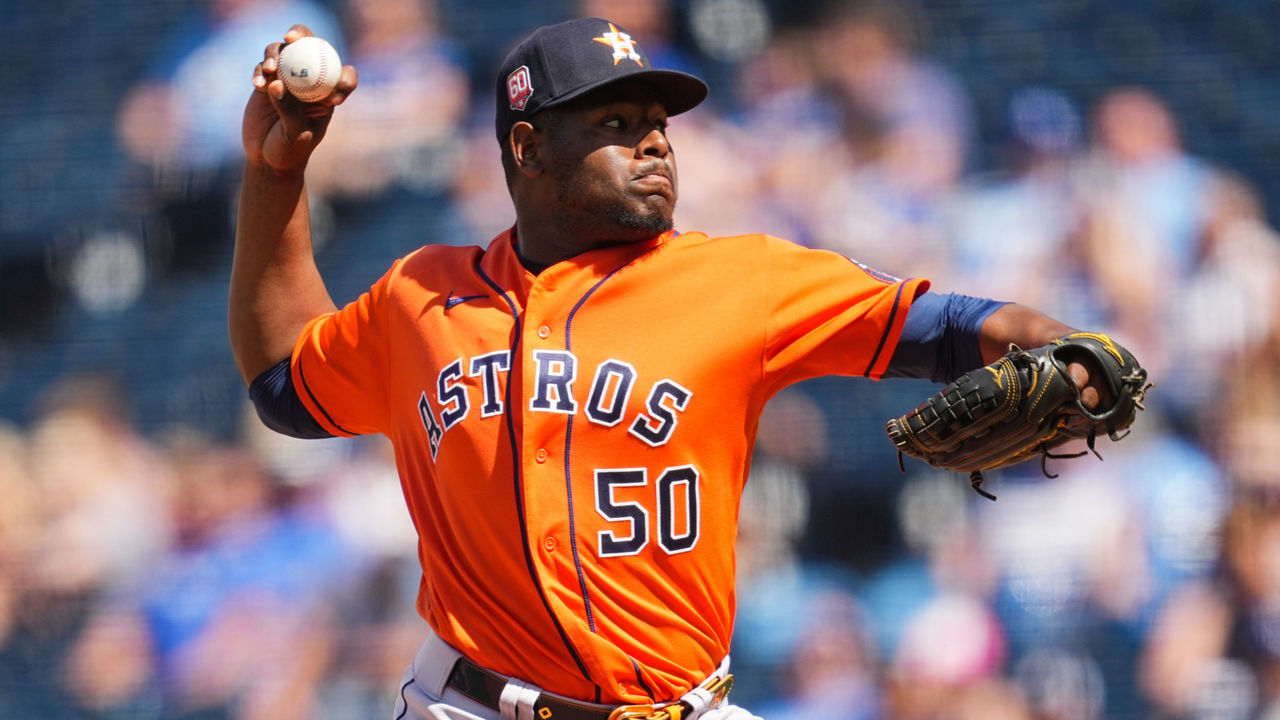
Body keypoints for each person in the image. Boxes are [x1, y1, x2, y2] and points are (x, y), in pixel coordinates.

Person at [230, 18, 1115, 720]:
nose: (655, 145)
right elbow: (285, 386)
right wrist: (278, 176)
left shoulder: (741, 279)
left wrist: (1073, 351)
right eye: (616, 125)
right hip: (470, 706)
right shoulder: (419, 295)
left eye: (659, 126)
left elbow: (953, 326)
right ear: (528, 149)